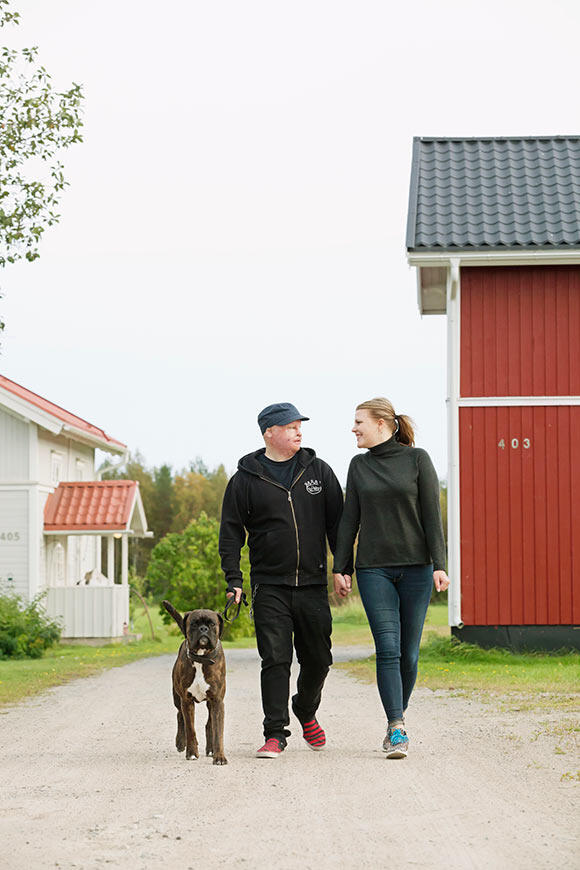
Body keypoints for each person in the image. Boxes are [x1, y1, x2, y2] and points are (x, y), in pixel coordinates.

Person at [219, 402, 343, 758]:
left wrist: (342, 567)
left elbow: (338, 523)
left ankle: (305, 707)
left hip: (313, 584)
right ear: (269, 433)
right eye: (290, 426)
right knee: (275, 659)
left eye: (299, 426)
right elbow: (230, 533)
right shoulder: (245, 479)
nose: (298, 431)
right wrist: (234, 579)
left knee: (319, 658)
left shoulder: (318, 470)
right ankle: (275, 732)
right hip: (268, 584)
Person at [333, 397, 449, 759]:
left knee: (408, 656)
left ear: (382, 424)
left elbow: (432, 515)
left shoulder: (418, 460)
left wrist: (439, 564)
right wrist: (342, 567)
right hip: (374, 569)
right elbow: (349, 518)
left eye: (359, 422)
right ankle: (398, 727)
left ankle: (393, 720)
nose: (353, 429)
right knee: (387, 647)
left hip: (415, 568)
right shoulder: (358, 465)